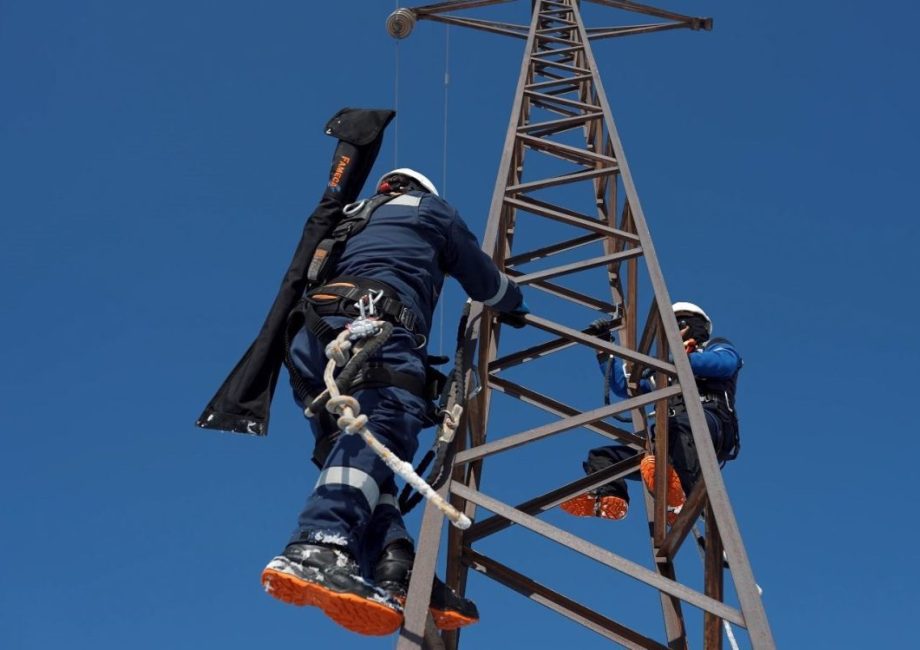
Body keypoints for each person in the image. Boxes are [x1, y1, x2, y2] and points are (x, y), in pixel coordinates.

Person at [196, 108, 528, 637]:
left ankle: (394, 564)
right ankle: (319, 542)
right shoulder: (431, 211)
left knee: (362, 453)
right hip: (373, 324)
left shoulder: (349, 218)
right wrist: (514, 301)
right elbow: (483, 280)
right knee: (387, 421)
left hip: (310, 343)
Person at [561, 302, 741, 522]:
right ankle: (611, 497)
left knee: (679, 427)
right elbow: (624, 385)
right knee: (603, 457)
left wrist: (678, 359)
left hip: (712, 424)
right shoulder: (664, 371)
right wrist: (603, 347)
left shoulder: (715, 348)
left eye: (681, 324)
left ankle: (683, 497)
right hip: (672, 436)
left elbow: (725, 364)